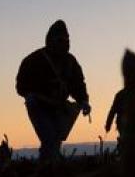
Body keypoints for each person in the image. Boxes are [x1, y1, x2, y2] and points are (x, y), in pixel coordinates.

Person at [16, 19, 91, 162]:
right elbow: (21, 86)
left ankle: (50, 166)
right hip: (39, 106)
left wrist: (84, 101)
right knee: (49, 139)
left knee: (55, 141)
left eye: (66, 39)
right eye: (60, 39)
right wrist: (32, 95)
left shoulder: (70, 61)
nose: (64, 42)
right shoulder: (34, 60)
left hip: (59, 107)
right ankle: (48, 167)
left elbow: (78, 84)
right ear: (51, 40)